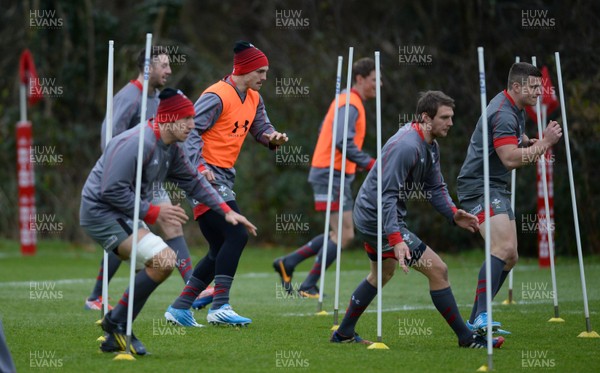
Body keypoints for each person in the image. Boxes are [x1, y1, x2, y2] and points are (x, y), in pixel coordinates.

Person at [79, 88, 257, 354]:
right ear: (168, 120)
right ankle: (116, 325)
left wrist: (225, 210)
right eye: (186, 119)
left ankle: (116, 326)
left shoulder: (171, 148)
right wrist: (152, 213)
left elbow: (194, 181)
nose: (192, 125)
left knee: (161, 262)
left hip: (124, 213)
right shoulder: (137, 142)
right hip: (101, 212)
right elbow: (110, 190)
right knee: (163, 259)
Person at [331, 91, 505, 349]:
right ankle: (466, 339)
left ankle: (343, 332)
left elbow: (435, 187)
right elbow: (387, 195)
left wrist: (452, 213)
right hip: (376, 218)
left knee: (381, 274)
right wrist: (396, 239)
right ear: (426, 117)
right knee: (439, 270)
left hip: (373, 216)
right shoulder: (407, 146)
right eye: (445, 117)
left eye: (451, 117)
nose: (450, 122)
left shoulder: (430, 145)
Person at [164, 41, 288, 327]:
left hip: (224, 175)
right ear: (244, 69)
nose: (264, 78)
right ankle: (220, 306)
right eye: (261, 71)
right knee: (237, 234)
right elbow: (190, 131)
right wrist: (199, 166)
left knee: (219, 247)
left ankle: (180, 307)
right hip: (205, 175)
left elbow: (261, 127)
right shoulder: (216, 95)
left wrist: (272, 138)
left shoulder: (255, 97)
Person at [85, 47, 201, 310]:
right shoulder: (129, 97)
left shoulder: (159, 98)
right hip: (127, 182)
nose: (169, 71)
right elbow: (110, 139)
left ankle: (193, 291)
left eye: (170, 65)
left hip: (152, 177)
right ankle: (95, 296)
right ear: (148, 68)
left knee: (173, 224)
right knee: (128, 235)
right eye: (164, 65)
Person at [457, 62, 563, 334]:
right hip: (480, 186)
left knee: (511, 255)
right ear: (516, 86)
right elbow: (509, 160)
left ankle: (474, 320)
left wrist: (527, 141)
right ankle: (482, 315)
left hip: (494, 186)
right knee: (502, 249)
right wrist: (545, 143)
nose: (539, 92)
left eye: (541, 87)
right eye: (534, 87)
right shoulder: (505, 112)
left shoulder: (513, 107)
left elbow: (512, 140)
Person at [273, 58, 377, 298]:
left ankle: (288, 263)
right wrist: (369, 163)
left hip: (334, 171)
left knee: (338, 232)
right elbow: (341, 140)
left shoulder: (345, 100)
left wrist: (354, 161)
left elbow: (326, 132)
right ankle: (308, 284)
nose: (378, 85)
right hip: (331, 173)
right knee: (345, 234)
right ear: (360, 79)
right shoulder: (350, 103)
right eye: (374, 80)